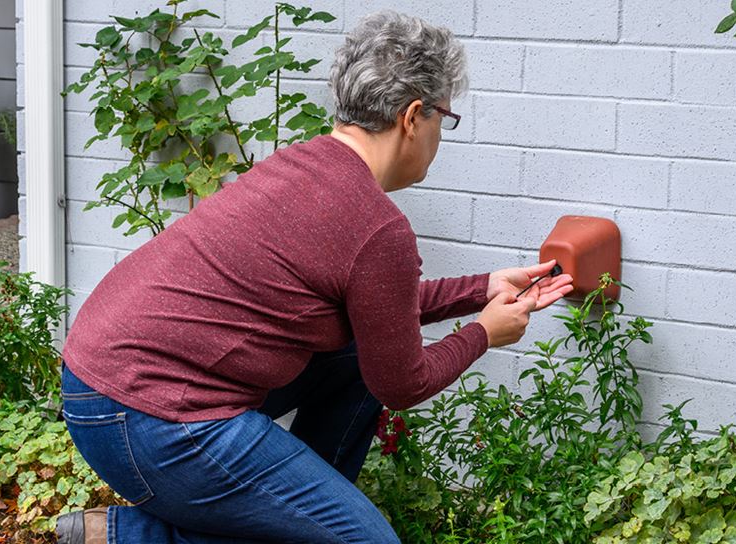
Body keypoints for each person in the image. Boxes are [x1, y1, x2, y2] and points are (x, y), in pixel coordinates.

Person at [54, 11, 574, 544]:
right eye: (445, 117)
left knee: (354, 358)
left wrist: (481, 289)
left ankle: (307, 518)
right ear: (413, 117)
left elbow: (379, 310)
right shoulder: (375, 224)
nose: (441, 134)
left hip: (96, 386)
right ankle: (126, 536)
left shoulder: (300, 165)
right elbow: (403, 384)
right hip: (149, 418)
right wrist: (484, 332)